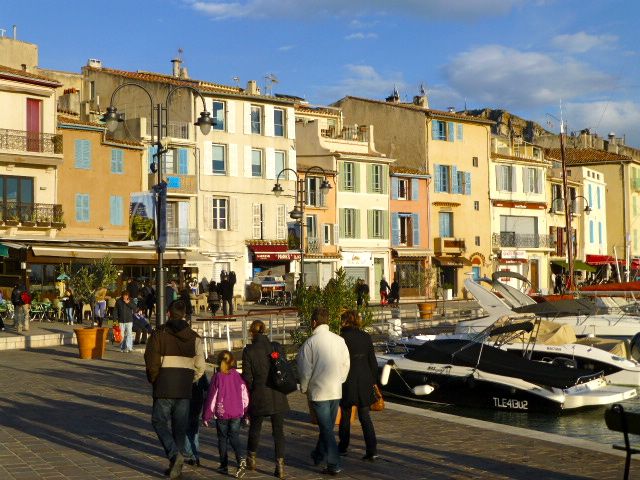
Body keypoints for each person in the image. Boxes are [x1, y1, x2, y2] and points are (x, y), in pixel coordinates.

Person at [144, 300, 206, 480]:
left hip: (163, 386)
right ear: (185, 314)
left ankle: (174, 456)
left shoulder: (158, 334)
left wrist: (155, 379)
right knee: (179, 428)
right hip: (184, 389)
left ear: (169, 313)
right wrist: (189, 379)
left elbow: (151, 362)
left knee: (158, 422)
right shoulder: (195, 338)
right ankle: (176, 466)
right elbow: (201, 368)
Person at [298, 308, 351, 476]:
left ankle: (334, 463)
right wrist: (340, 379)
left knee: (326, 429)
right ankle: (318, 454)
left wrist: (304, 388)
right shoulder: (339, 340)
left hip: (319, 391)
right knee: (327, 427)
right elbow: (346, 364)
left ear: (314, 322)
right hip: (335, 389)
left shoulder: (310, 343)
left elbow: (305, 370)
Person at [242, 320, 290, 478]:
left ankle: (251, 458)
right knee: (278, 432)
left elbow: (247, 378)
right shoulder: (275, 347)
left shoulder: (249, 350)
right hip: (277, 394)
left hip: (259, 394)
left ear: (251, 332)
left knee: (255, 428)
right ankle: (280, 466)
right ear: (265, 331)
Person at [337, 310, 378, 461]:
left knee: (346, 415)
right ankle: (372, 450)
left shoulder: (341, 338)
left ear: (345, 321)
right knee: (365, 416)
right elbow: (372, 362)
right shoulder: (366, 336)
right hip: (364, 379)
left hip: (348, 379)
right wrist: (373, 381)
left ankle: (343, 447)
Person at [203, 350, 249, 477]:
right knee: (234, 436)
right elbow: (245, 395)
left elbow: (211, 397)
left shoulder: (217, 377)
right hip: (236, 412)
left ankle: (224, 465)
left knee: (222, 439)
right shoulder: (237, 376)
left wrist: (207, 415)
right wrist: (245, 411)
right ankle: (240, 458)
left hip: (222, 412)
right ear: (232, 361)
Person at [184, 372, 209, 469]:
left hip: (186, 399)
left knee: (186, 428)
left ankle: (191, 454)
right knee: (194, 428)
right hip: (197, 401)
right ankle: (195, 454)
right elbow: (206, 387)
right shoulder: (200, 370)